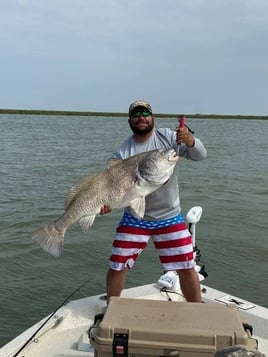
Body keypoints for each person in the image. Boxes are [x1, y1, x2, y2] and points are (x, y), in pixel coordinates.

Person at [101, 99, 207, 302]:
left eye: (145, 113)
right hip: (134, 216)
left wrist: (190, 140)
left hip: (169, 216)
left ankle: (197, 310)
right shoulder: (123, 153)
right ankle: (111, 307)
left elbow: (200, 155)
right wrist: (104, 205)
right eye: (136, 114)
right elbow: (111, 190)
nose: (141, 117)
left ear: (152, 118)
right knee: (117, 264)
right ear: (129, 120)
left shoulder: (169, 138)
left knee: (186, 266)